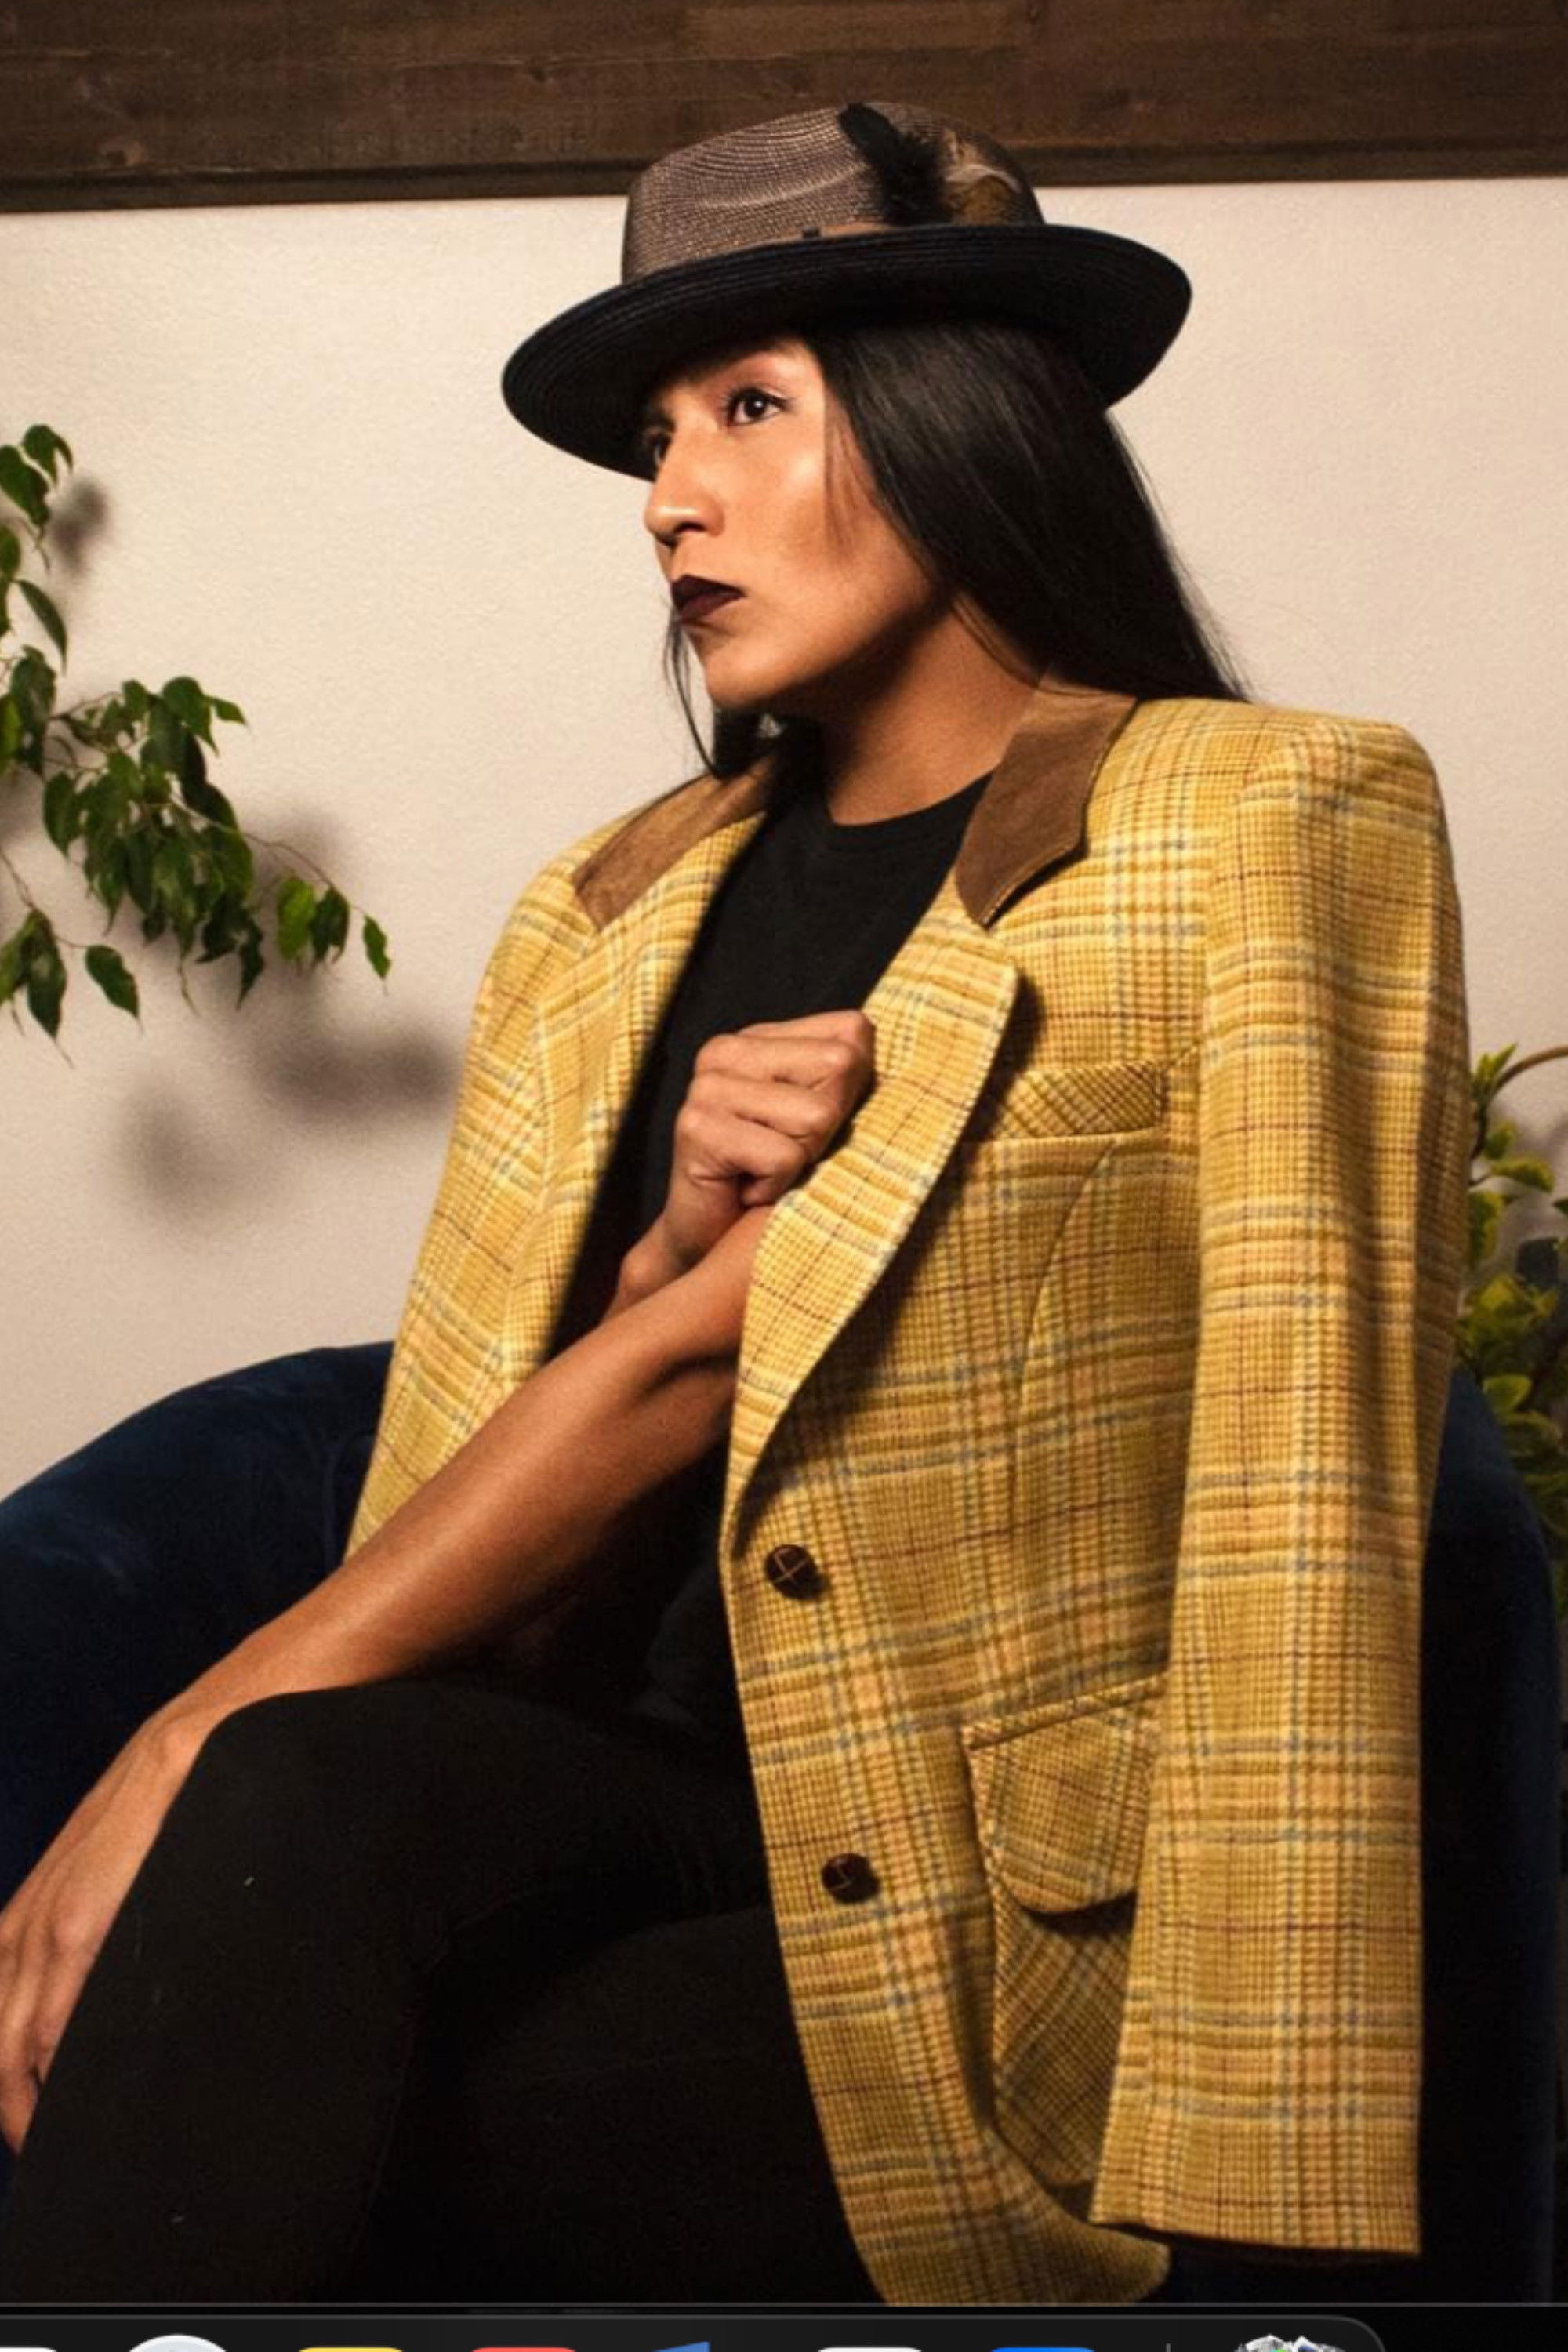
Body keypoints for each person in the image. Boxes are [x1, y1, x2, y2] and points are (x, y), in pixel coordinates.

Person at [0, 98, 1472, 2306]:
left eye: (752, 407)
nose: (671, 494)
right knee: (294, 1843)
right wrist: (674, 1251)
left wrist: (1266, 2155)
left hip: (992, 1932)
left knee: (267, 2018)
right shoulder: (600, 911)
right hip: (643, 1798)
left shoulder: (1262, 821)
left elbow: (1312, 1483)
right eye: (657, 437)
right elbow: (550, 1472)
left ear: (964, 415)